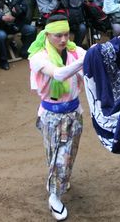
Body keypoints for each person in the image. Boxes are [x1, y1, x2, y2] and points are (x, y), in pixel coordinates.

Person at [28, 14, 86, 221]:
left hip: (74, 112)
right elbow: (59, 74)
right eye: (58, 35)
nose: (63, 39)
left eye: (66, 34)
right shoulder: (37, 56)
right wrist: (86, 60)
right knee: (57, 157)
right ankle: (54, 197)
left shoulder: (74, 51)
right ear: (47, 34)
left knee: (69, 153)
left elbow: (91, 63)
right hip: (52, 114)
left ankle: (59, 181)